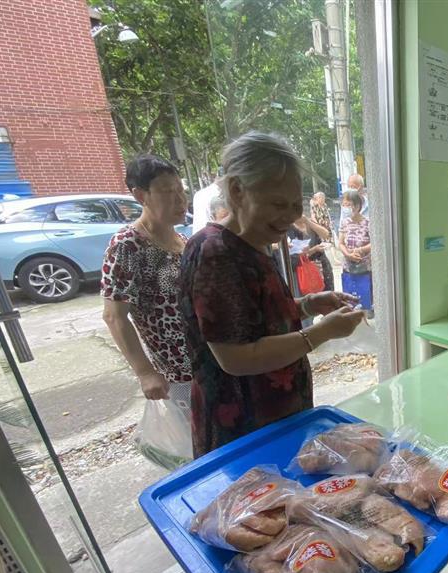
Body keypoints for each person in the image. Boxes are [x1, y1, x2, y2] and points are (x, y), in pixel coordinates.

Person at [179, 132, 365, 457]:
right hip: (242, 426)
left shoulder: (253, 244)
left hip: (276, 414)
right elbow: (235, 356)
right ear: (237, 191)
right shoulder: (217, 253)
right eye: (278, 204)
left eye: (296, 205)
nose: (291, 216)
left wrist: (307, 303)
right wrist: (320, 333)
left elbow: (249, 317)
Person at [102, 154, 192, 416]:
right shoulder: (128, 245)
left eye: (180, 190)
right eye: (167, 191)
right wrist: (145, 372)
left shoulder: (182, 240)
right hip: (179, 371)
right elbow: (114, 315)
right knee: (197, 440)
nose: (180, 200)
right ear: (141, 195)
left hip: (210, 359)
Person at [338, 190, 373, 312]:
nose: (346, 207)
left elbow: (374, 243)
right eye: (344, 204)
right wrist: (348, 254)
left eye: (349, 204)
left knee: (365, 297)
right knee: (350, 297)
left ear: (358, 206)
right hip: (349, 266)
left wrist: (361, 250)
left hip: (365, 267)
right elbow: (341, 243)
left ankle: (367, 312)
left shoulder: (368, 222)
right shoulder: (344, 222)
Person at [289, 215, 334, 292]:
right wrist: (314, 249)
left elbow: (326, 234)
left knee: (327, 295)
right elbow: (295, 255)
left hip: (321, 264)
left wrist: (307, 221)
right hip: (305, 270)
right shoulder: (289, 229)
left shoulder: (309, 222)